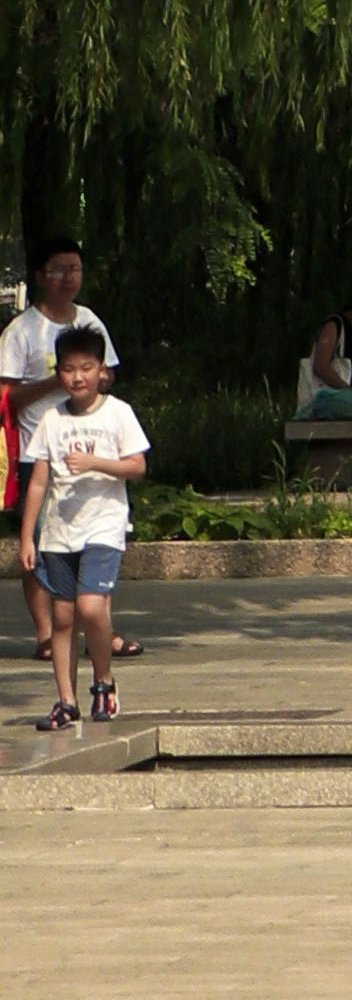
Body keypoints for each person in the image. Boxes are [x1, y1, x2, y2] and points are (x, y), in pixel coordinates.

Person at [19, 320, 143, 731]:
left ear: (102, 371)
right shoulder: (52, 420)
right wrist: (27, 535)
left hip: (103, 527)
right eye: (69, 369)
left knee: (92, 607)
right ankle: (65, 700)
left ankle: (103, 683)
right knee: (64, 617)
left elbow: (136, 466)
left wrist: (96, 464)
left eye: (86, 367)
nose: (78, 376)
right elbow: (38, 481)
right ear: (59, 374)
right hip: (59, 533)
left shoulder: (118, 413)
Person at [2, 252, 115, 684]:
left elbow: (111, 375)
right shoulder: (22, 330)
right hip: (40, 448)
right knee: (43, 544)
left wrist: (95, 383)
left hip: (90, 448)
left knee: (98, 539)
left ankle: (101, 629)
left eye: (76, 269)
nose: (69, 278)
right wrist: (56, 381)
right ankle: (46, 632)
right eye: (58, 270)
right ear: (39, 277)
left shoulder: (90, 320)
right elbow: (8, 397)